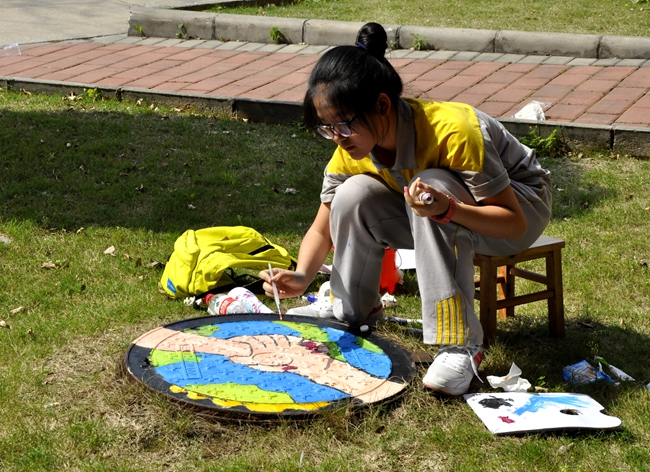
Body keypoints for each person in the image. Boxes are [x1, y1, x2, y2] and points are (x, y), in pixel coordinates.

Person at [260, 22, 552, 396]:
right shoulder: (352, 150)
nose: (337, 138)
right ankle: (353, 309)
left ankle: (460, 345)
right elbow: (323, 226)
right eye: (326, 127)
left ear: (382, 105)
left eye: (343, 125)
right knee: (353, 194)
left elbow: (513, 225)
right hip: (446, 211)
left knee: (429, 190)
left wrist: (448, 209)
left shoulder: (454, 130)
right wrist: (302, 277)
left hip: (521, 208)